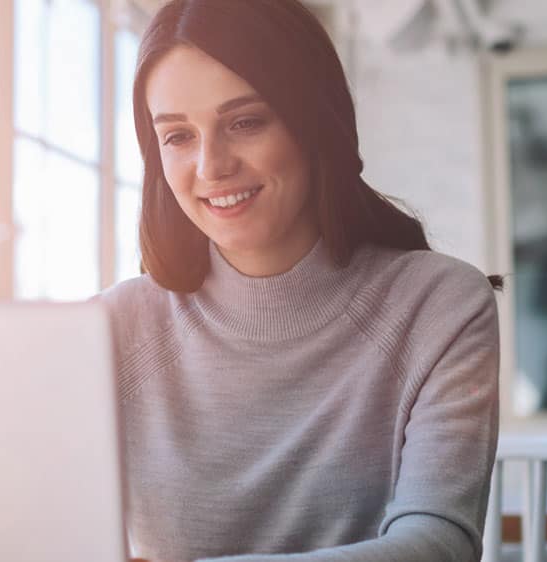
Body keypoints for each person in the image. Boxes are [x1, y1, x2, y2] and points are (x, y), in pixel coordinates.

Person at [96, 1, 502, 561]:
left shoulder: (440, 306)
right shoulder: (107, 330)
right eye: (178, 136)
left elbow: (438, 545)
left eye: (244, 122)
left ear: (314, 121)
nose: (211, 167)